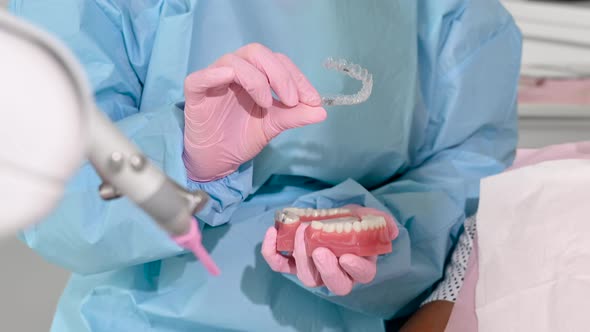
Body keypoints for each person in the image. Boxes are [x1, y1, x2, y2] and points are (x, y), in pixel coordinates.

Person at [9, 0, 522, 331]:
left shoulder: (458, 16)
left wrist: (387, 237)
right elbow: (57, 194)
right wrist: (183, 161)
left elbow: (465, 187)